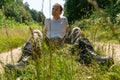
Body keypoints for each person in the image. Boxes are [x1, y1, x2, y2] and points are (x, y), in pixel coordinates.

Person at [6, 3, 113, 68]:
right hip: (49, 42)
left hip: (62, 42)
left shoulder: (64, 19)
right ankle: (24, 62)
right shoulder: (47, 20)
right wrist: (35, 36)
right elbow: (44, 32)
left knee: (76, 30)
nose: (54, 10)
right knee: (36, 32)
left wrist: (77, 31)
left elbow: (67, 31)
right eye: (53, 8)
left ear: (61, 11)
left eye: (56, 9)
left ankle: (92, 57)